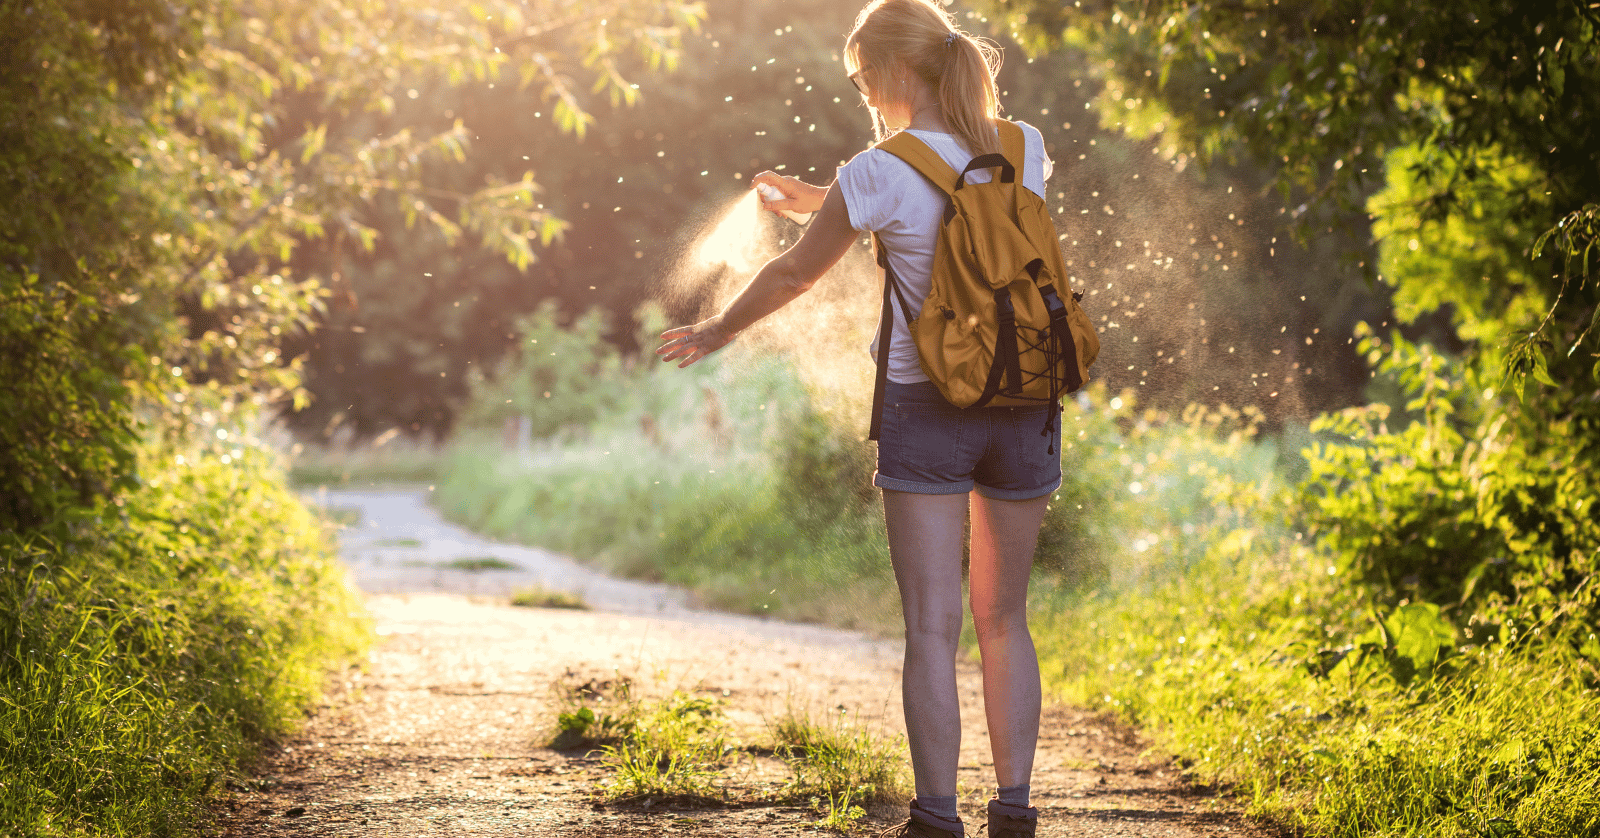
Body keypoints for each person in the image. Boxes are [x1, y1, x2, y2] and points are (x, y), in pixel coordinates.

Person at [657, 1, 1056, 836]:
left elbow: (796, 275)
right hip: (1025, 401)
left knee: (932, 628)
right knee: (1004, 619)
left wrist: (717, 329)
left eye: (862, 78)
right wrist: (822, 193)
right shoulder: (1024, 148)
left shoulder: (875, 170)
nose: (864, 94)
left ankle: (936, 817)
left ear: (894, 72)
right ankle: (1014, 811)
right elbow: (944, 205)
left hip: (929, 406)